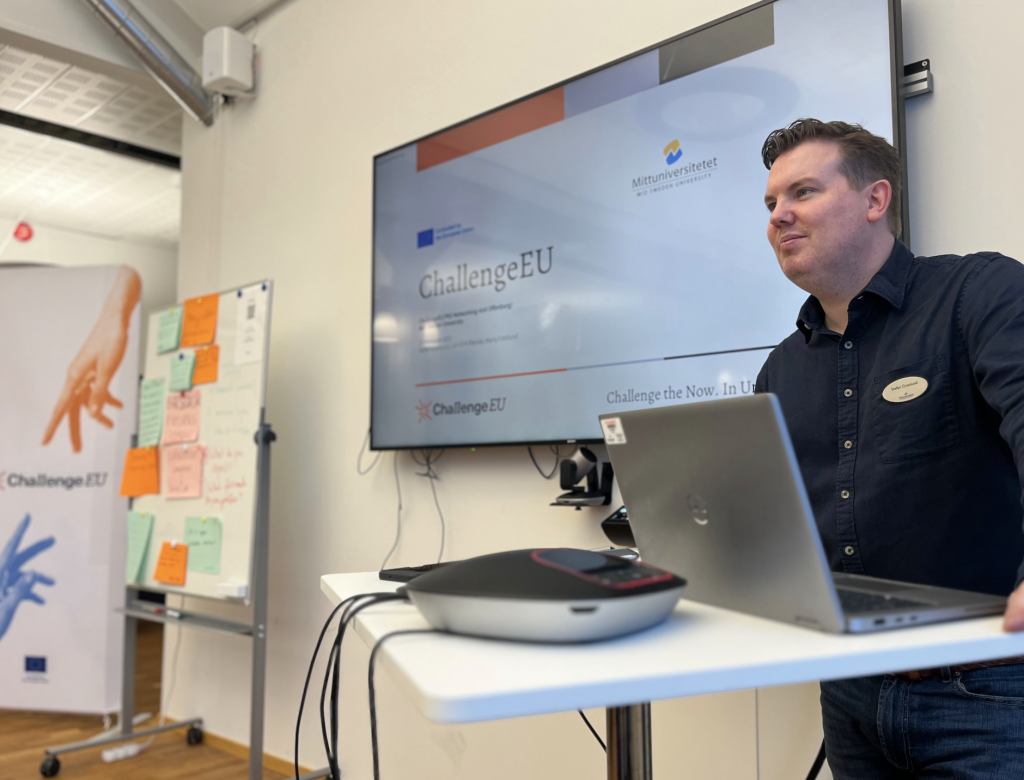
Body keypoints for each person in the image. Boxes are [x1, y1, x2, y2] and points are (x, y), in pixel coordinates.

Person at [755, 118, 1024, 778]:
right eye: (769, 204)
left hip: (985, 692)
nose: (780, 215)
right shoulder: (779, 372)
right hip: (849, 689)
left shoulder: (978, 295)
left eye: (803, 192)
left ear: (875, 200)